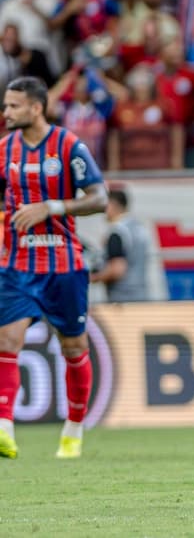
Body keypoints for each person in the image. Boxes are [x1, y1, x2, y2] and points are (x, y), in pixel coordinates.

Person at [0, 76, 108, 460]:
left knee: (74, 347)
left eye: (13, 106)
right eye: (6, 105)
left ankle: (74, 430)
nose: (6, 112)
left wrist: (53, 207)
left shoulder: (67, 145)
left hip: (62, 263)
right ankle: (4, 429)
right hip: (15, 265)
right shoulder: (4, 149)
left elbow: (100, 197)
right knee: (6, 342)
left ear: (36, 108)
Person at [90, 189, 152, 302]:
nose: (103, 211)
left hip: (121, 300)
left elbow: (118, 269)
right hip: (142, 296)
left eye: (105, 206)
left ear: (113, 205)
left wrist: (93, 278)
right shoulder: (139, 228)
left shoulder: (117, 232)